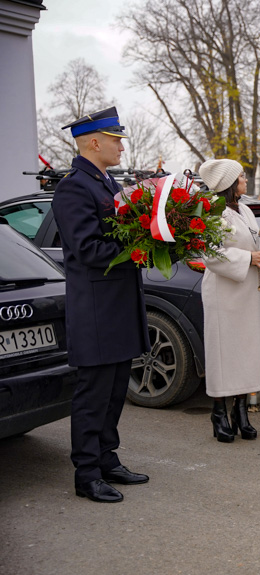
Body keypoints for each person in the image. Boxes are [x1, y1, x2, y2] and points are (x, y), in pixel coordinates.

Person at [53, 107, 150, 503]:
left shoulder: (106, 182)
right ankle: (87, 473)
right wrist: (141, 249)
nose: (121, 147)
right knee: (93, 395)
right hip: (96, 310)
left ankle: (107, 458)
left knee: (113, 392)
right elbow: (88, 248)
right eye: (116, 140)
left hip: (118, 305)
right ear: (94, 142)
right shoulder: (75, 187)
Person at [199, 159, 260, 442]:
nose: (245, 180)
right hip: (225, 294)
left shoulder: (244, 209)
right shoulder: (211, 212)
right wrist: (248, 258)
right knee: (224, 355)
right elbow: (210, 254)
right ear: (229, 183)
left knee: (246, 354)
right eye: (241, 177)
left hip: (248, 292)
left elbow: (256, 243)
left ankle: (240, 411)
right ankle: (218, 412)